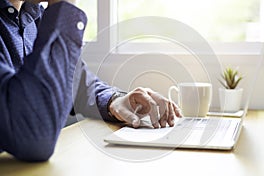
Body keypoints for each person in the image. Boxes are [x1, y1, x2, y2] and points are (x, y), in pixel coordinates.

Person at [0, 0, 182, 162]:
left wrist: (114, 100)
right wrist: (64, 8)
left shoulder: (32, 16)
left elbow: (78, 82)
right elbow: (35, 136)